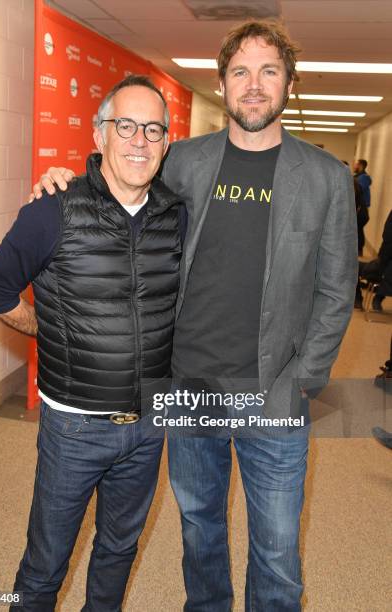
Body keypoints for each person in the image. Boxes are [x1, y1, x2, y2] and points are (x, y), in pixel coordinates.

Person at [33, 20, 358, 612]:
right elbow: (121, 176)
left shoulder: (326, 179)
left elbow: (336, 291)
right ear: (223, 83)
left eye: (268, 71)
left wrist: (305, 377)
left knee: (278, 552)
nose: (253, 86)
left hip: (273, 392)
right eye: (240, 72)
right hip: (188, 388)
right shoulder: (184, 160)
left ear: (289, 82)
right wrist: (65, 176)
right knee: (200, 530)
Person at [0, 75, 186, 612]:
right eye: (126, 126)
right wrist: (47, 326)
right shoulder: (54, 208)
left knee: (118, 551)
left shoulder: (176, 216)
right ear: (100, 136)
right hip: (73, 427)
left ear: (166, 143)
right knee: (45, 567)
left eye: (153, 129)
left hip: (146, 427)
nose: (140, 140)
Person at [356, 209, 392, 311]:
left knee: (352, 267)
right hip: (384, 265)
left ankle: (358, 299)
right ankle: (376, 298)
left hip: (383, 268)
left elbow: (387, 244)